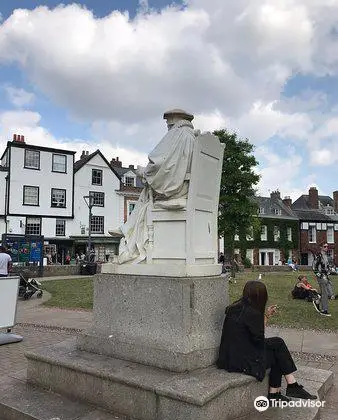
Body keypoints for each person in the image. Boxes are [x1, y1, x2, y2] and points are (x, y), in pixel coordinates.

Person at [110, 109, 196, 264]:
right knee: (146, 194)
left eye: (168, 123)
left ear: (172, 121)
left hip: (177, 190)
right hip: (188, 189)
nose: (167, 127)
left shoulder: (178, 134)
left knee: (146, 198)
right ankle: (127, 230)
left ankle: (131, 241)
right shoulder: (193, 137)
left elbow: (160, 165)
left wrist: (143, 172)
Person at [217, 281, 317, 403]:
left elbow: (252, 337)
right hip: (241, 362)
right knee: (278, 351)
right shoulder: (252, 313)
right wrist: (266, 317)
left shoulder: (236, 307)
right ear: (260, 296)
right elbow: (259, 340)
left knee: (277, 345)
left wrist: (265, 316)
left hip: (230, 357)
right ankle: (285, 388)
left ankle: (286, 388)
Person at [313, 242, 336, 316]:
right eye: (325, 246)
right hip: (321, 277)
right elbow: (314, 268)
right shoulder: (318, 256)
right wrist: (320, 276)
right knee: (325, 293)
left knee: (330, 293)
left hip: (327, 277)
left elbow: (327, 266)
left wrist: (330, 270)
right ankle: (324, 310)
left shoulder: (326, 256)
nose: (326, 248)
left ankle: (318, 299)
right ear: (321, 247)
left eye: (327, 246)